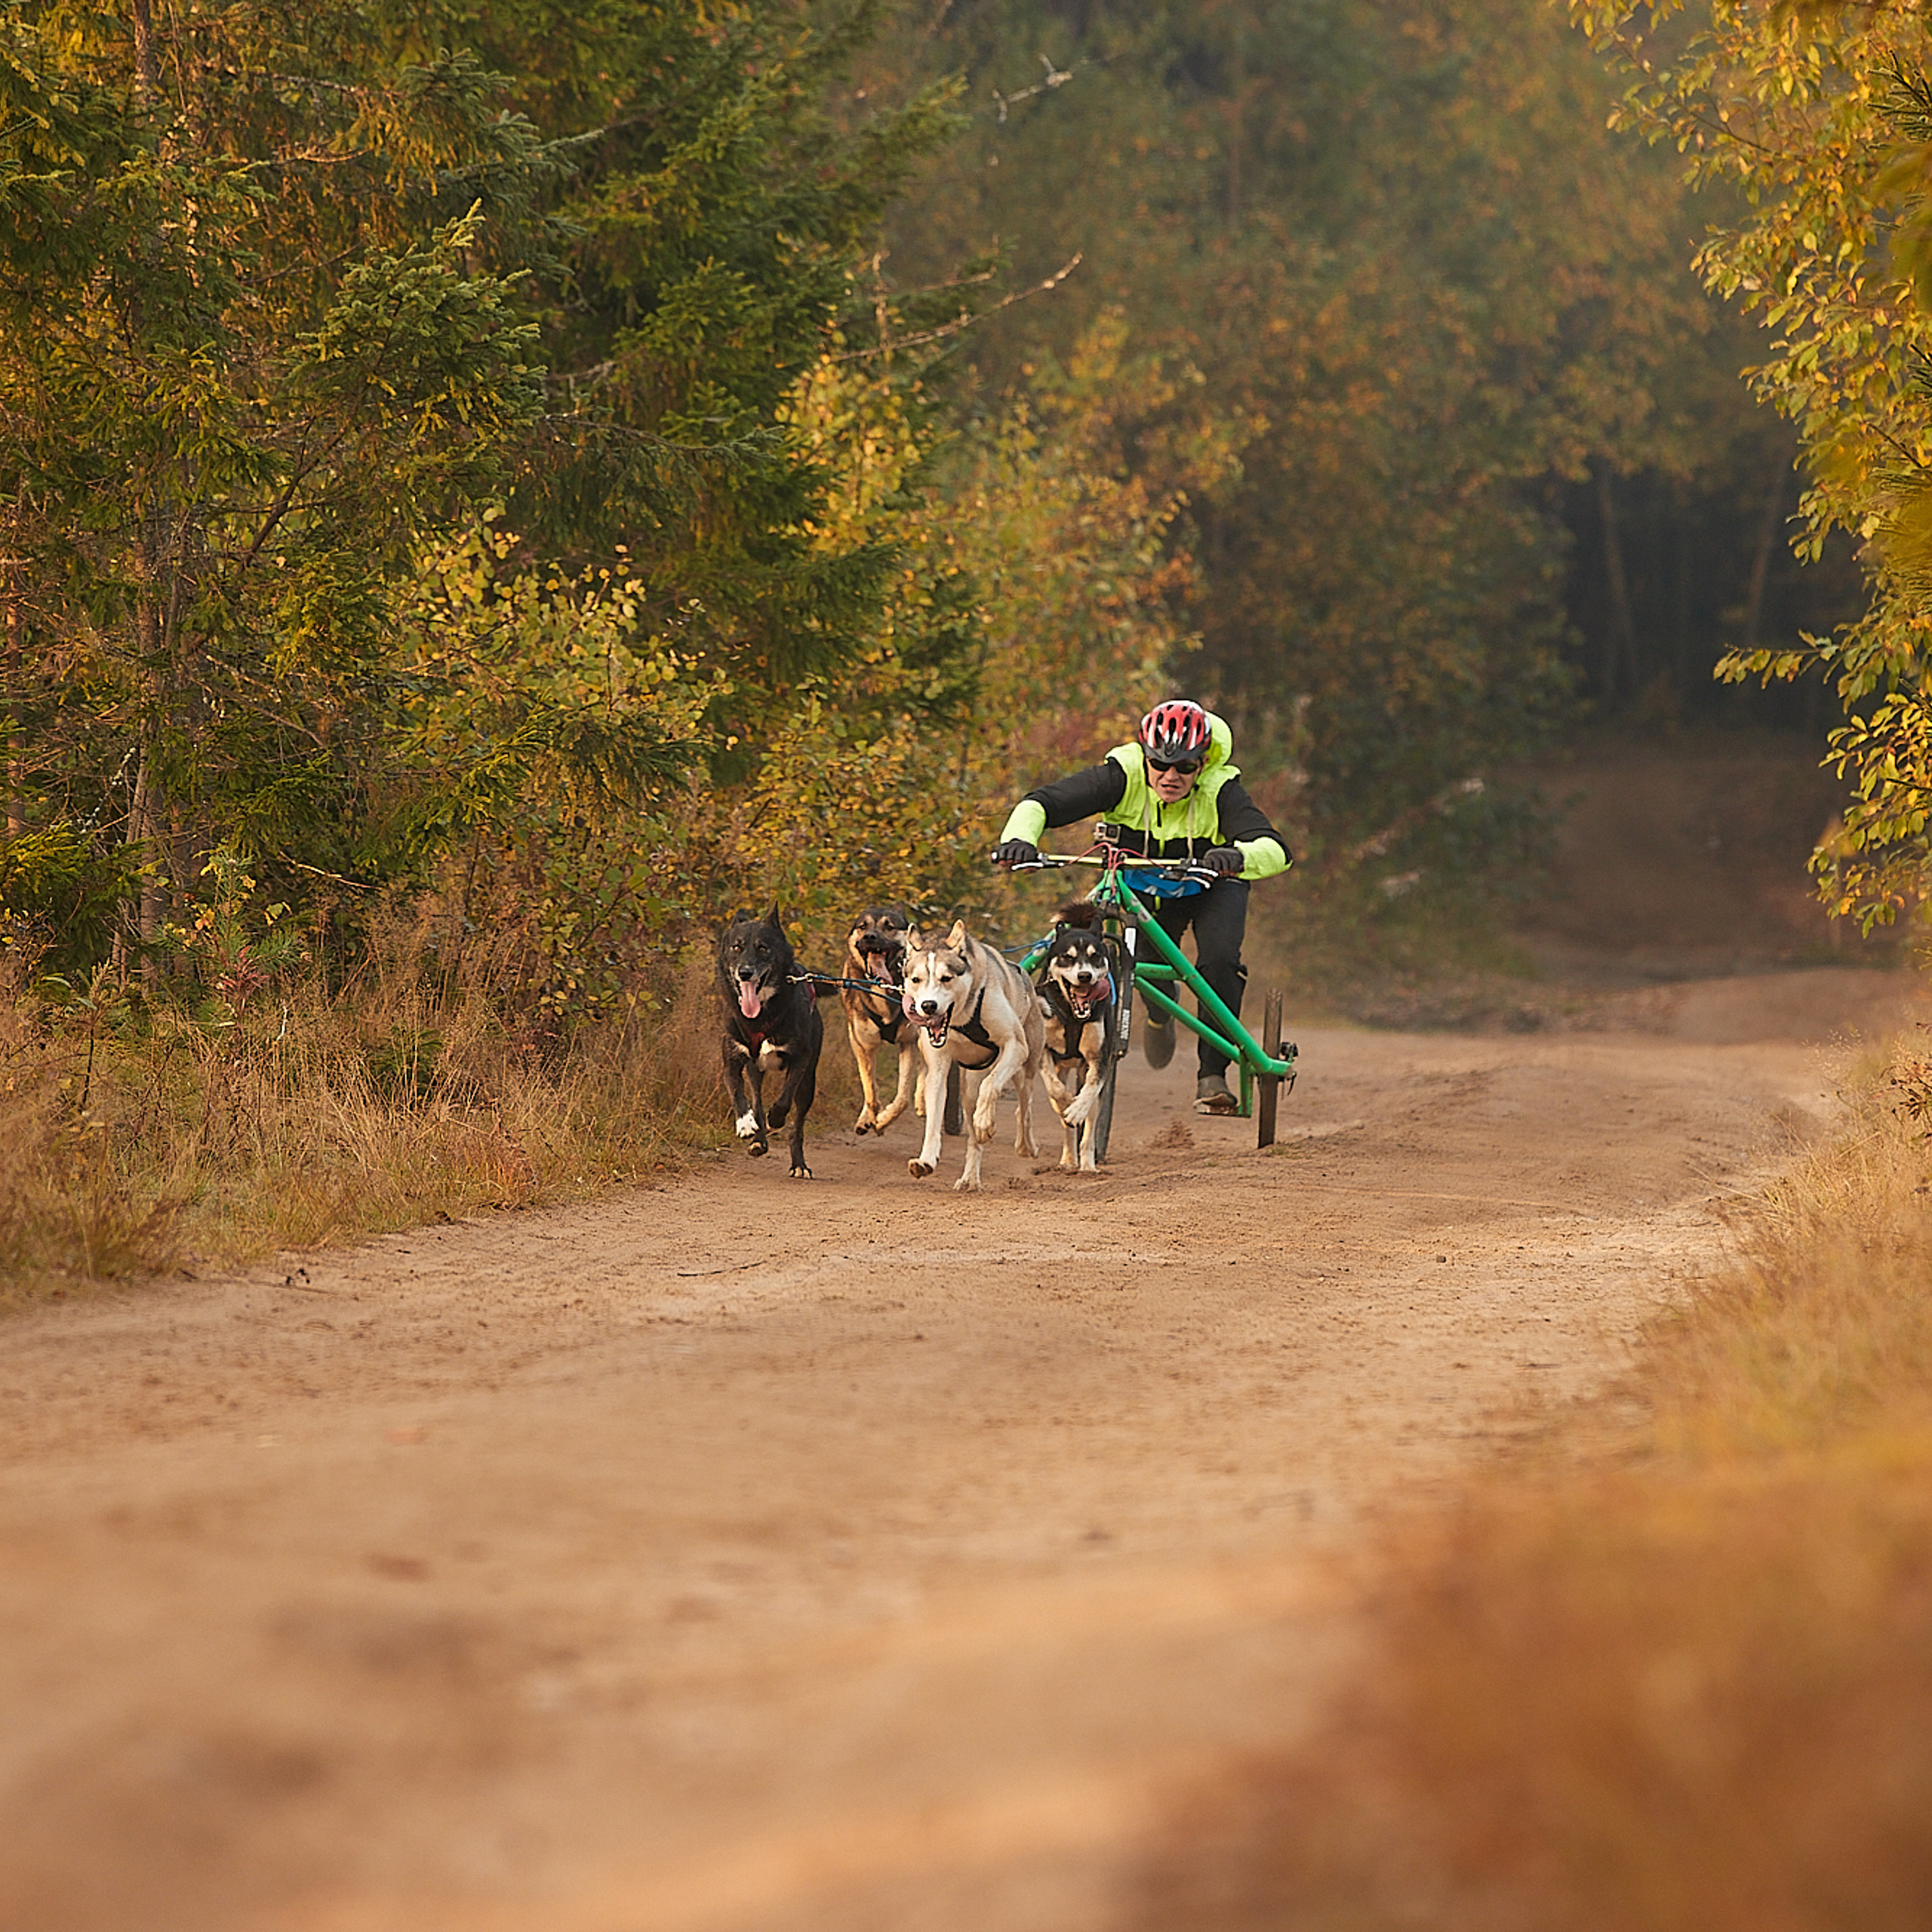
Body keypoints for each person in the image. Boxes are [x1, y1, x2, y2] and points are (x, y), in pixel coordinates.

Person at [992, 700, 1291, 1115]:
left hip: (1211, 885)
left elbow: (1275, 848)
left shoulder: (1223, 789)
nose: (1170, 776)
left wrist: (1237, 857)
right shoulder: (1120, 774)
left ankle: (1212, 1074)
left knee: (1218, 962)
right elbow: (1042, 803)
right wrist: (1019, 838)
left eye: (1184, 767)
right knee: (1143, 972)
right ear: (1145, 757)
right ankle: (1154, 1017)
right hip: (1142, 886)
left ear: (1202, 764)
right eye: (1159, 764)